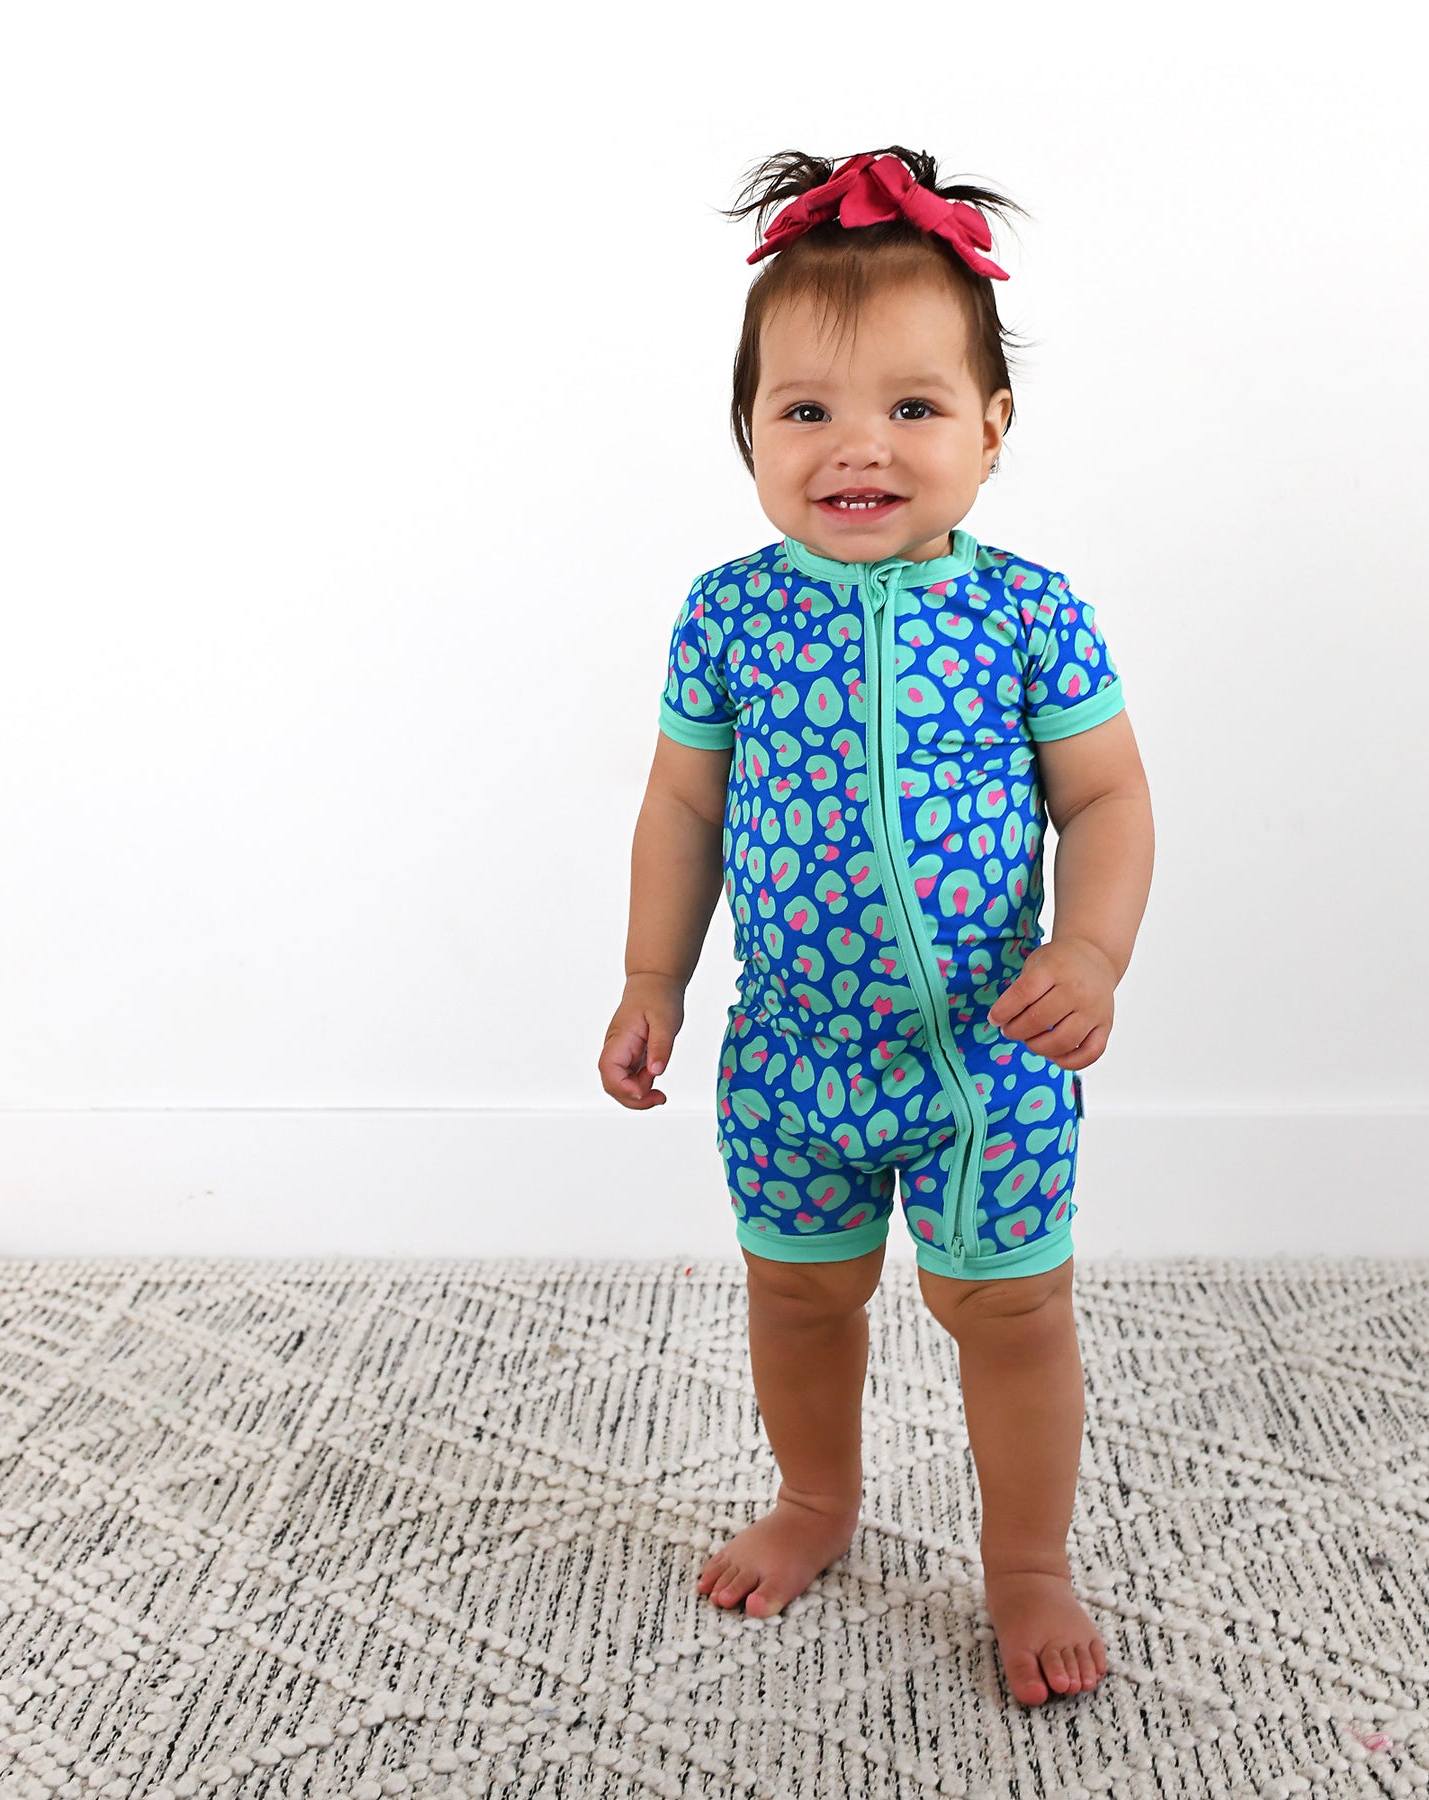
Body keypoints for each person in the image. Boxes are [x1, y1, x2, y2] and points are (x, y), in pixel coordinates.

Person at [599, 146, 1155, 1707]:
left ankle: (1028, 1562)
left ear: (993, 428)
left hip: (989, 1059)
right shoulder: (728, 615)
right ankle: (817, 1499)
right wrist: (653, 975)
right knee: (799, 1294)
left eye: (914, 406)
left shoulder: (1028, 613)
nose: (860, 446)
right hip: (794, 1059)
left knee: (1008, 1309)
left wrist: (1091, 953)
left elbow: (1109, 799)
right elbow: (683, 810)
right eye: (806, 411)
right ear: (749, 433)